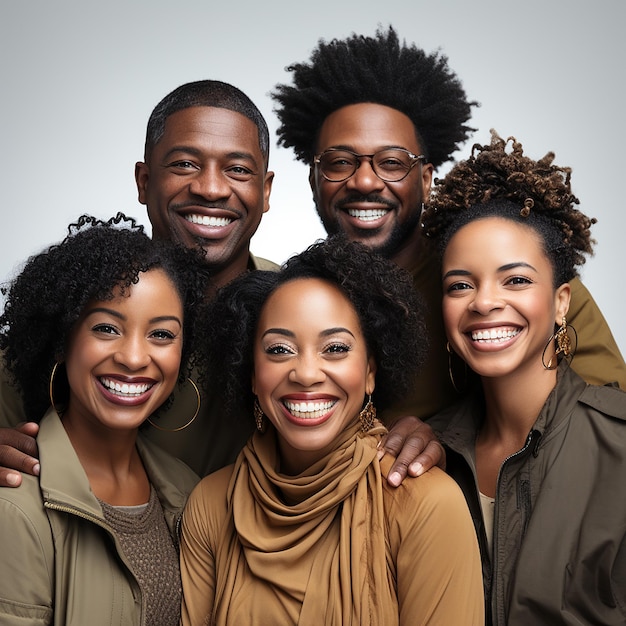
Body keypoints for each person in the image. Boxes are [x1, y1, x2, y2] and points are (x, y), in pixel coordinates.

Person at [0, 79, 442, 487]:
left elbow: (363, 416)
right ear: (144, 180)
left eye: (237, 170)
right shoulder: (72, 306)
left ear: (266, 192)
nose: (211, 188)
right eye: (186, 163)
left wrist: (420, 436)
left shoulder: (299, 306)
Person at [271, 25, 626, 432]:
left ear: (425, 179)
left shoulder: (515, 275)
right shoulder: (294, 299)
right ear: (314, 180)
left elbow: (608, 415)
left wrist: (444, 435)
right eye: (338, 162)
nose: (364, 182)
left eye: (391, 162)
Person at [178, 236, 484, 625]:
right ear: (252, 375)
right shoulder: (210, 505)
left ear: (371, 371)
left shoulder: (428, 505)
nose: (306, 373)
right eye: (279, 350)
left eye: (335, 349)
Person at [422, 131, 626, 624]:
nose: (484, 302)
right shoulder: (431, 458)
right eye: (461, 284)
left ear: (561, 303)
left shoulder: (619, 444)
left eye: (516, 279)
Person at [0, 214, 202, 625]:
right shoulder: (14, 508)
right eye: (107, 328)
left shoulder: (189, 494)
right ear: (62, 341)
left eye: (161, 334)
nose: (133, 358)